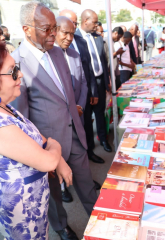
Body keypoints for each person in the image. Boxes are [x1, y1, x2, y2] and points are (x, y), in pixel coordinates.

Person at [11, 2, 98, 240]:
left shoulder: (59, 53)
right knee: (54, 196)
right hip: (47, 146)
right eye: (46, 28)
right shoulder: (16, 64)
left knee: (87, 187)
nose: (53, 34)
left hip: (76, 137)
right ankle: (61, 227)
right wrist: (41, 152)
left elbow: (67, 94)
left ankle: (103, 224)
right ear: (27, 29)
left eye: (53, 28)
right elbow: (23, 119)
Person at [0, 41, 65, 239]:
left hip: (33, 209)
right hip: (21, 218)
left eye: (17, 68)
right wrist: (56, 146)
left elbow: (41, 140)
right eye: (12, 71)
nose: (20, 75)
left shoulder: (8, 108)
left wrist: (51, 146)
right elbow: (48, 160)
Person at [59, 9, 106, 164]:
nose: (72, 26)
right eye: (69, 22)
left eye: (74, 22)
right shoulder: (53, 49)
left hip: (82, 93)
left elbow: (88, 69)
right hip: (63, 103)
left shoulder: (80, 41)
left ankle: (89, 152)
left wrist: (86, 94)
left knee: (86, 124)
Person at [54, 16, 89, 203]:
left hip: (78, 116)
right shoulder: (49, 57)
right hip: (59, 122)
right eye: (64, 32)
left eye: (72, 34)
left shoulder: (75, 55)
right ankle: (62, 187)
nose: (68, 37)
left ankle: (80, 185)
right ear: (55, 31)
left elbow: (83, 82)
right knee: (61, 154)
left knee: (78, 155)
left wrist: (80, 107)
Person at [75, 9, 112, 153]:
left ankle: (103, 139)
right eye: (94, 22)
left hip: (100, 81)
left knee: (100, 113)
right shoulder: (75, 38)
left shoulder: (97, 37)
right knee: (87, 116)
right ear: (85, 21)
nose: (96, 25)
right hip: (85, 84)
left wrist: (107, 79)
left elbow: (103, 60)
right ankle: (89, 147)